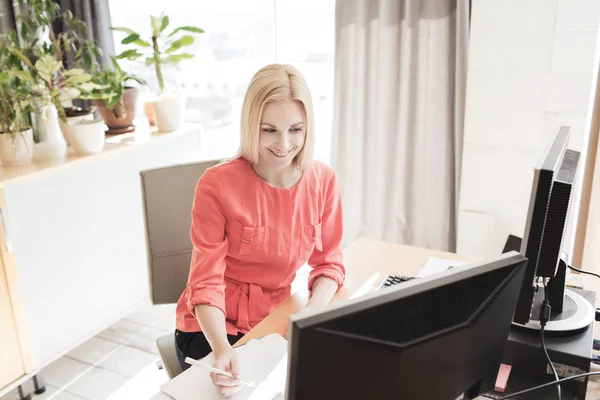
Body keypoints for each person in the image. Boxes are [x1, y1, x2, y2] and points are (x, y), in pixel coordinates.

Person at [174, 64, 346, 397]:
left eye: (296, 129)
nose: (284, 144)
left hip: (274, 320)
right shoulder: (216, 185)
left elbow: (330, 262)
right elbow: (205, 283)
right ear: (252, 125)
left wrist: (314, 309)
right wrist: (223, 349)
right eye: (269, 130)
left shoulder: (323, 180)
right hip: (211, 328)